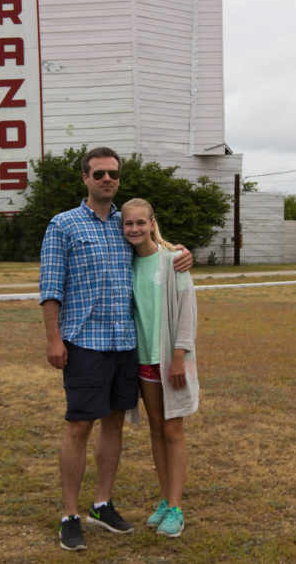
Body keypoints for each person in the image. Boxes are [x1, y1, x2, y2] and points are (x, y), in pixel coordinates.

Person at [39, 147, 192, 551]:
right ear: (85, 179)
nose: (107, 179)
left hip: (125, 344)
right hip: (83, 343)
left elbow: (153, 250)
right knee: (78, 427)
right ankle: (70, 514)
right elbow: (50, 288)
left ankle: (102, 503)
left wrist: (181, 253)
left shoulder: (124, 225)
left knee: (114, 425)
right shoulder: (63, 225)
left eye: (113, 174)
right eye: (99, 174)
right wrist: (54, 340)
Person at [121, 197, 199, 538]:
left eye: (141, 222)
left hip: (171, 361)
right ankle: (166, 500)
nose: (135, 229)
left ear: (152, 224)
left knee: (173, 431)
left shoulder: (173, 261)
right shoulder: (125, 263)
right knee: (155, 429)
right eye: (129, 224)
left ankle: (177, 507)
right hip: (143, 362)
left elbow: (187, 310)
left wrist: (180, 355)